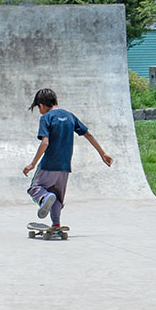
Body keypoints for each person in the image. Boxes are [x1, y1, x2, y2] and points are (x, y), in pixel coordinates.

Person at [22, 88, 113, 229]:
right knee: (57, 198)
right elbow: (87, 134)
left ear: (41, 105)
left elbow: (45, 142)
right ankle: (56, 224)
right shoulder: (70, 116)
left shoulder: (46, 118)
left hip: (48, 164)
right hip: (64, 166)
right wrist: (103, 153)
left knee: (36, 188)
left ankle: (44, 198)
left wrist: (32, 164)